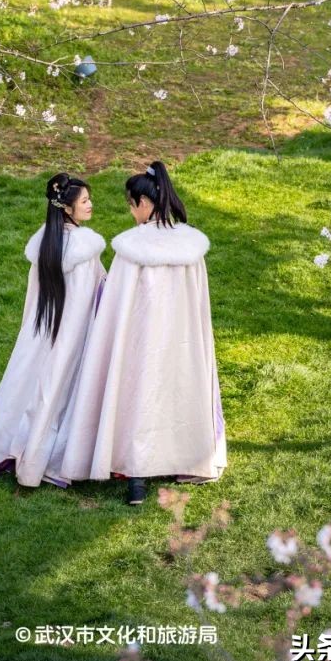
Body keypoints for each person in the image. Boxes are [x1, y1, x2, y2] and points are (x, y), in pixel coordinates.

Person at [50, 160, 226, 505]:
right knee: (177, 391)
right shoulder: (190, 249)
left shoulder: (132, 249)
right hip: (181, 343)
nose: (131, 213)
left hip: (140, 343)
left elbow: (115, 302)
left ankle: (137, 479)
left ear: (143, 204)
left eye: (131, 206)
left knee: (137, 396)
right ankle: (184, 456)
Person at [0, 173, 106, 489]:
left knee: (31, 383)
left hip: (42, 330)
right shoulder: (83, 248)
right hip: (70, 333)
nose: (90, 205)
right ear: (68, 209)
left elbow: (35, 297)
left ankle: (11, 442)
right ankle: (46, 454)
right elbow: (88, 297)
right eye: (84, 200)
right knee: (57, 389)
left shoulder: (46, 241)